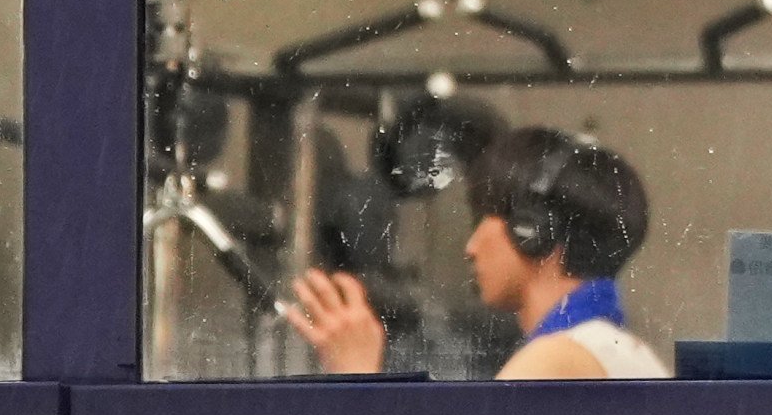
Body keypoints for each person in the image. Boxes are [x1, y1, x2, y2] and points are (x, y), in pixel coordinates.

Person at [285, 126, 670, 379]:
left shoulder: (554, 360)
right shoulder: (613, 349)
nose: (470, 248)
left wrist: (356, 372)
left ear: (531, 230)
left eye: (484, 217)